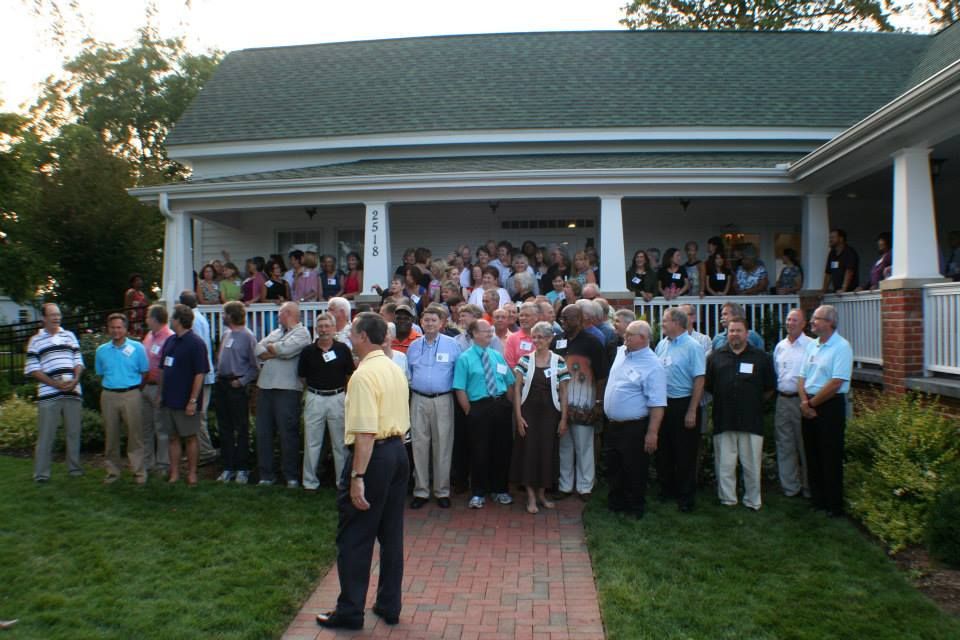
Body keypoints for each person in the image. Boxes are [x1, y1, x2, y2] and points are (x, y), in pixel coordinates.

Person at [315, 313, 410, 631]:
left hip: (375, 457)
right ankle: (389, 604)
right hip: (399, 453)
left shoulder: (362, 376)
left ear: (364, 338)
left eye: (351, 333)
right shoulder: (394, 367)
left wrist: (357, 478)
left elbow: (366, 433)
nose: (348, 338)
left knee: (355, 536)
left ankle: (350, 611)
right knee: (391, 534)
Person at [705, 316, 775, 510]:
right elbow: (709, 385)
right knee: (725, 463)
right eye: (731, 331)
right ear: (727, 334)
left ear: (747, 333)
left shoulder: (761, 358)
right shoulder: (715, 357)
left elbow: (769, 387)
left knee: (752, 464)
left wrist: (752, 401)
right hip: (724, 418)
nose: (734, 334)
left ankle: (753, 500)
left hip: (751, 419)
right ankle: (728, 498)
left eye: (738, 330)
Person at [603, 320, 666, 519]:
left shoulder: (653, 365)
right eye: (626, 333)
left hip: (634, 426)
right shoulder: (623, 352)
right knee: (614, 465)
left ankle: (635, 507)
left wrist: (652, 433)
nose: (625, 337)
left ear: (644, 339)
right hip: (613, 424)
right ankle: (616, 503)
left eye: (630, 334)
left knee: (634, 467)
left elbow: (657, 403)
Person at [453, 319, 516, 508]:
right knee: (479, 451)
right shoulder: (465, 358)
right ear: (473, 334)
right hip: (479, 407)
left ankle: (500, 490)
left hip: (500, 405)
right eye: (486, 331)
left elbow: (510, 381)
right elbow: (460, 388)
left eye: (491, 331)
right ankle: (478, 492)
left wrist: (508, 405)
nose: (490, 333)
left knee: (502, 449)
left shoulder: (497, 355)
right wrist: (469, 412)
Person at [798, 305, 853, 517]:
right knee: (812, 454)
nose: (812, 322)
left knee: (830, 455)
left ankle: (834, 505)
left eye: (816, 319)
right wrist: (804, 402)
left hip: (829, 406)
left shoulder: (841, 347)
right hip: (808, 404)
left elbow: (836, 382)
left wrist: (811, 405)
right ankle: (817, 500)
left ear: (830, 322)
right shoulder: (812, 346)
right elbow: (802, 377)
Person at [512, 321, 570, 514]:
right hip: (528, 412)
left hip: (550, 414)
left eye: (542, 337)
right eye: (534, 337)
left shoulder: (559, 361)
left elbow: (563, 392)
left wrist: (563, 419)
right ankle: (530, 496)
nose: (537, 341)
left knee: (547, 452)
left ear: (550, 339)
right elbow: (517, 391)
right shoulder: (525, 361)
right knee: (528, 452)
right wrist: (518, 417)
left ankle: (542, 494)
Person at [551, 305, 608, 501]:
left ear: (580, 319)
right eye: (562, 319)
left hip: (584, 402)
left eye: (567, 319)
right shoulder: (558, 340)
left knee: (584, 445)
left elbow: (601, 376)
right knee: (564, 445)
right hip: (561, 403)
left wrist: (598, 401)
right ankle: (565, 485)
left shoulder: (592, 342)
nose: (563, 322)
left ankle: (585, 487)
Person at [406, 306, 462, 509]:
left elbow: (458, 372)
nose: (429, 324)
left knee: (443, 445)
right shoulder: (413, 346)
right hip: (418, 399)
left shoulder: (452, 345)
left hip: (443, 400)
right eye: (426, 320)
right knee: (419, 445)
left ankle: (442, 491)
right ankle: (421, 491)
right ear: (421, 322)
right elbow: (409, 373)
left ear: (442, 323)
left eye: (433, 320)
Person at [654, 308, 706, 512]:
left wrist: (692, 410)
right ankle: (667, 490)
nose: (662, 324)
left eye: (665, 321)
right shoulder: (662, 344)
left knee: (685, 453)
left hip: (684, 403)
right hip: (664, 404)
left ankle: (686, 498)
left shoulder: (693, 347)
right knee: (664, 451)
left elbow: (699, 379)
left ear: (677, 323)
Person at [255, 302, 312, 487]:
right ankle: (266, 475)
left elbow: (285, 351)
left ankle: (291, 476)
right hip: (265, 387)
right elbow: (258, 349)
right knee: (264, 432)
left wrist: (276, 350)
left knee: (288, 433)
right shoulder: (276, 332)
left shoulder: (302, 333)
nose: (278, 317)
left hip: (288, 389)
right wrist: (278, 350)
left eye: (280, 313)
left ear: (288, 313)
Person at [25, 304, 84, 482]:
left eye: (58, 315)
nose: (56, 318)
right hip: (49, 394)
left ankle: (74, 469)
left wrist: (75, 379)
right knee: (46, 435)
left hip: (72, 391)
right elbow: (33, 369)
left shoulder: (69, 336)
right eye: (52, 315)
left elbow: (78, 360)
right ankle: (42, 474)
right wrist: (54, 384)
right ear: (43, 318)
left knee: (73, 433)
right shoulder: (35, 340)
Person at [299, 312, 355, 491]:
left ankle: (342, 483)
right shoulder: (308, 351)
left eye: (327, 326)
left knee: (340, 444)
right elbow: (302, 377)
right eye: (320, 326)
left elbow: (349, 375)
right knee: (311, 442)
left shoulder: (342, 349)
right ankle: (309, 483)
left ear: (333, 329)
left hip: (337, 399)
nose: (323, 330)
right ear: (316, 329)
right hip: (315, 398)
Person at [157, 304, 210, 485]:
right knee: (172, 437)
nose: (170, 321)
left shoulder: (196, 343)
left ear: (179, 320)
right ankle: (174, 473)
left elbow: (200, 373)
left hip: (186, 400)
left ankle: (192, 473)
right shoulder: (170, 341)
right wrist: (160, 393)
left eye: (173, 318)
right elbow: (163, 368)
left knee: (190, 437)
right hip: (169, 399)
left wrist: (193, 400)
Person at [95, 313, 150, 484]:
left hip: (131, 394)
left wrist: (135, 389)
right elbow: (100, 373)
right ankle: (113, 472)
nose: (116, 330)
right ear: (108, 329)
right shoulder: (101, 351)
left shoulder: (137, 348)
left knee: (135, 436)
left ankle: (139, 472)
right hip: (109, 395)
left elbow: (145, 372)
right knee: (111, 436)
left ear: (126, 329)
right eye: (113, 327)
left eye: (119, 327)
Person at [214, 301, 259, 485]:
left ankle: (242, 468)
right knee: (224, 428)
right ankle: (228, 467)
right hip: (222, 385)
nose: (222, 316)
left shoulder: (248, 337)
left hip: (237, 387)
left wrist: (241, 382)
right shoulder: (226, 334)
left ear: (231, 316)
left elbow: (255, 367)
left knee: (240, 428)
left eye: (224, 313)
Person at [773, 309, 812, 498]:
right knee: (785, 444)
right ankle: (790, 487)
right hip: (782, 400)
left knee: (805, 444)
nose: (790, 323)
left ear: (803, 324)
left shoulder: (811, 346)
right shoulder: (780, 347)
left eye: (795, 320)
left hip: (802, 401)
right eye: (788, 319)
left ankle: (809, 487)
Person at [179, 291, 218, 464]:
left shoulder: (193, 321)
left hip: (201, 375)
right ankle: (199, 450)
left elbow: (196, 350)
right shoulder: (199, 317)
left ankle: (205, 452)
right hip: (204, 373)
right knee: (198, 415)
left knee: (199, 415)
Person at [141, 304, 173, 476]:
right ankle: (147, 462)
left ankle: (163, 464)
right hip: (145, 386)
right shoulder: (149, 336)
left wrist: (162, 392)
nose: (145, 320)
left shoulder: (169, 338)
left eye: (147, 317)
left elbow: (167, 368)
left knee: (161, 428)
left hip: (159, 388)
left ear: (154, 319)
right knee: (146, 427)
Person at [504, 301, 539, 368]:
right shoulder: (512, 339)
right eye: (521, 315)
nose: (523, 318)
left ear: (536, 317)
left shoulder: (542, 337)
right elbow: (510, 365)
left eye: (527, 315)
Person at [823, 228, 859, 293]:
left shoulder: (849, 252)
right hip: (837, 292)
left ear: (841, 239)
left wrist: (843, 288)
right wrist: (824, 290)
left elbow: (849, 271)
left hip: (849, 293)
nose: (830, 240)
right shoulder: (832, 253)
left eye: (833, 237)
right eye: (830, 238)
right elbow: (828, 273)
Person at [124, 273, 149, 338]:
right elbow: (127, 308)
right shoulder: (131, 292)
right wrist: (126, 323)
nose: (139, 282)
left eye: (140, 280)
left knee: (140, 337)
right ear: (132, 283)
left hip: (140, 321)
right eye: (137, 280)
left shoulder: (143, 295)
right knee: (133, 337)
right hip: (132, 320)